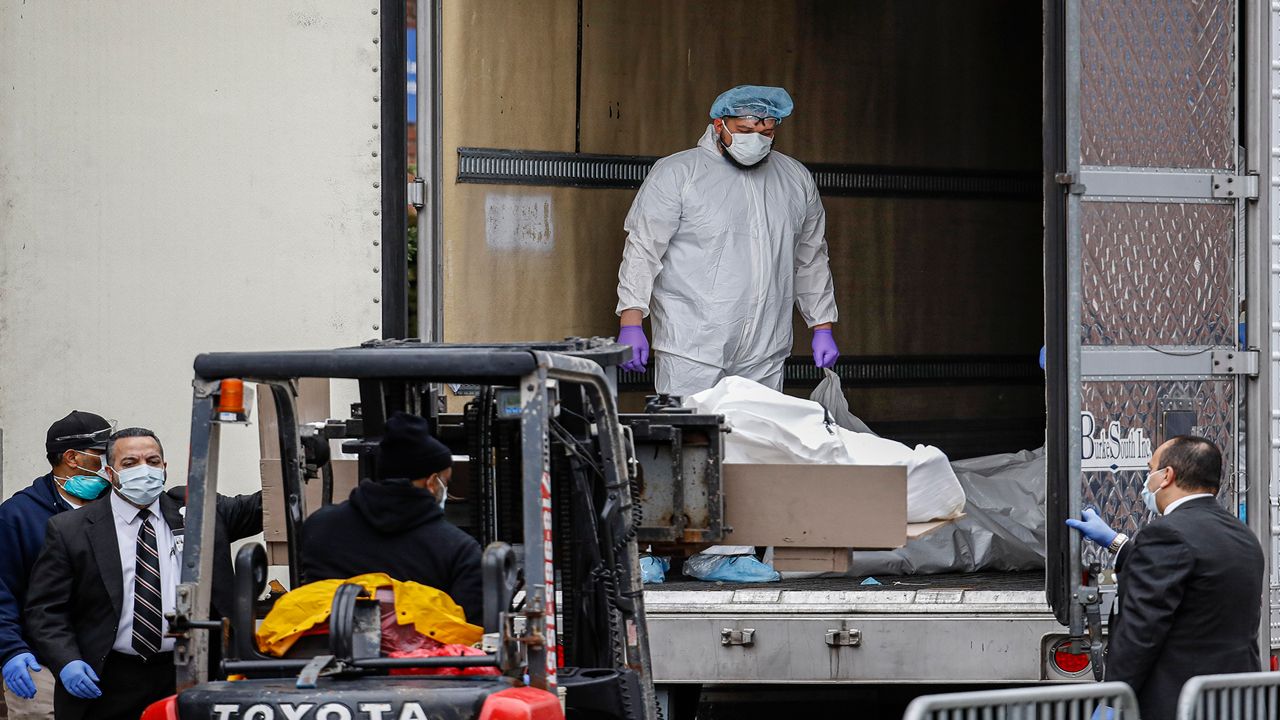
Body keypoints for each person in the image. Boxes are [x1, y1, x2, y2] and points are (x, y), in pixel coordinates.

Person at [615, 84, 840, 397]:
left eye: (767, 132)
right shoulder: (678, 173)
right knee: (692, 440)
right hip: (691, 347)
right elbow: (643, 250)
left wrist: (822, 326)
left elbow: (811, 258)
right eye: (746, 129)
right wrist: (631, 319)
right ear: (719, 124)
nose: (757, 140)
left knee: (756, 442)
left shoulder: (795, 179)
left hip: (766, 348)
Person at [23, 427, 262, 720]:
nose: (144, 470)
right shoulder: (71, 529)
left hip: (187, 672)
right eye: (130, 463)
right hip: (108, 679)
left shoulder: (201, 512)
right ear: (110, 473)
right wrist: (67, 661)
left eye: (152, 460)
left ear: (164, 467)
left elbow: (269, 504)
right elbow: (44, 610)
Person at [1066, 435, 1263, 720]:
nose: (1148, 480)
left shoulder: (1167, 534)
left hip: (1177, 702)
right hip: (1233, 701)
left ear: (1167, 476)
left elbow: (1141, 631)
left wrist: (1113, 699)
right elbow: (1190, 572)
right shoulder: (1241, 534)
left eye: (1150, 470)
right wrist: (1115, 541)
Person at [300, 411, 482, 622]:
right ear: (432, 482)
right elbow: (474, 635)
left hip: (326, 652)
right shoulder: (458, 551)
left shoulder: (318, 528)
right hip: (423, 654)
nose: (446, 488)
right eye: (446, 481)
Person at [0, 411, 112, 719]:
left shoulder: (116, 507)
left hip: (105, 662)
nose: (110, 461)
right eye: (102, 454)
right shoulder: (16, 516)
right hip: (40, 665)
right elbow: (2, 590)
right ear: (72, 457)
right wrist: (11, 651)